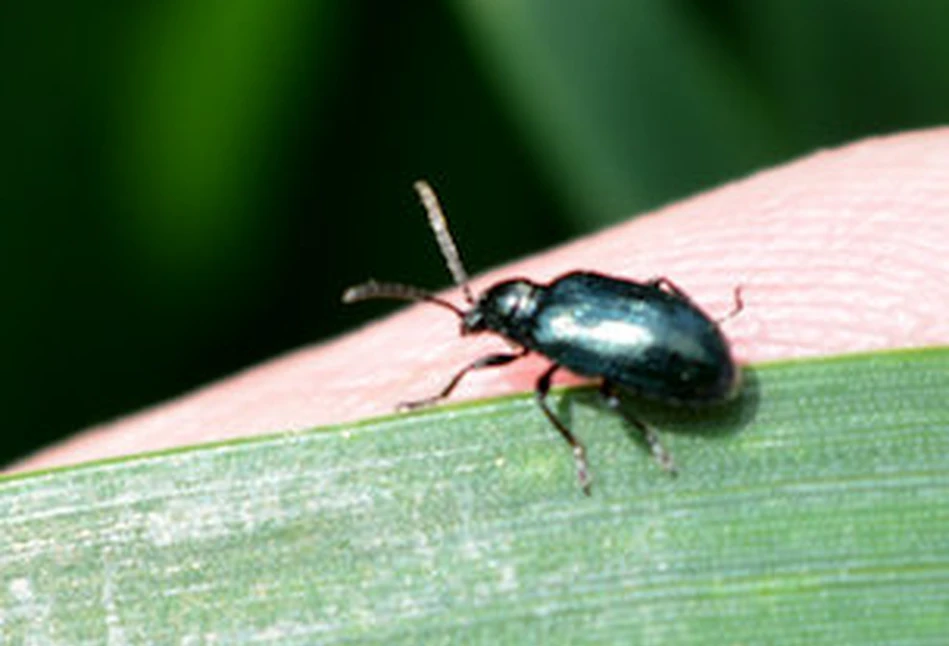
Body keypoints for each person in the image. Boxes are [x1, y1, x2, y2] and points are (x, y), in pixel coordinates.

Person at [9, 130, 949, 474]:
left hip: (688, 363)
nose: (474, 326)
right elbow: (648, 294)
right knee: (614, 349)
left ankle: (634, 437)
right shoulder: (563, 296)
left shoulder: (544, 329)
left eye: (476, 315)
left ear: (504, 316)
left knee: (564, 395)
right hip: (688, 338)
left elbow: (589, 348)